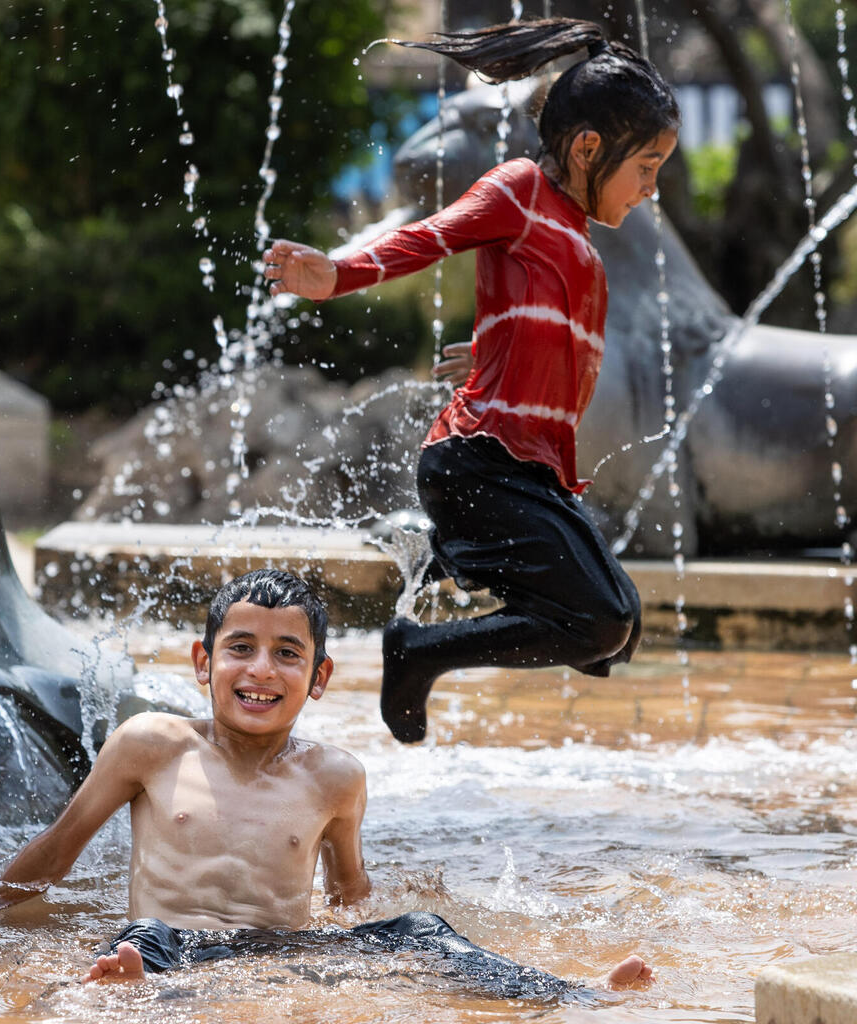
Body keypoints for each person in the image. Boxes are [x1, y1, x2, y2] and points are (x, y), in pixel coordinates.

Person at [262, 18, 681, 744]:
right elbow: (432, 235)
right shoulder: (519, 191)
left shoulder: (579, 247)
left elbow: (549, 339)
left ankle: (448, 554)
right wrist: (338, 273)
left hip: (531, 474)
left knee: (621, 623)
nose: (651, 188)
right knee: (600, 619)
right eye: (645, 167)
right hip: (481, 463)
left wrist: (497, 349)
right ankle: (421, 647)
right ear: (587, 148)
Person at [0, 568, 651, 998]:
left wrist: (392, 924)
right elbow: (59, 847)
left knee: (422, 930)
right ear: (204, 663)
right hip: (171, 938)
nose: (262, 670)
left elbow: (349, 898)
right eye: (240, 649)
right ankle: (133, 986)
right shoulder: (153, 746)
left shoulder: (335, 777)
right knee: (138, 940)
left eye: (287, 654)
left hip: (279, 949)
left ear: (318, 678)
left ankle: (568, 993)